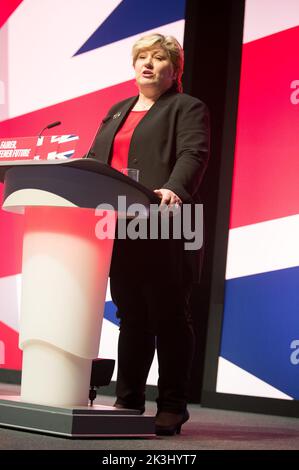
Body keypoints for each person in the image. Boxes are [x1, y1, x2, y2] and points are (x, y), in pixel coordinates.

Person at [90, 33, 210, 435]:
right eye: (142, 56)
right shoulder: (117, 111)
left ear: (174, 69)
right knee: (132, 317)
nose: (148, 64)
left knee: (171, 316)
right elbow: (97, 160)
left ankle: (173, 404)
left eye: (159, 58)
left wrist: (175, 189)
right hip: (120, 224)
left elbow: (194, 153)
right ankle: (128, 400)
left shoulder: (186, 107)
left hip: (168, 223)